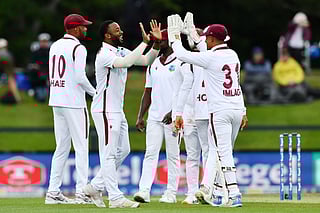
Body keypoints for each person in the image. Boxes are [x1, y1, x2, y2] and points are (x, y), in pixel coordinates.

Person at [168, 14, 248, 207]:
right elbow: (235, 80)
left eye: (206, 38)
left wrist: (174, 37)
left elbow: (182, 55)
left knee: (222, 152)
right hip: (237, 108)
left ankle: (235, 193)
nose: (206, 41)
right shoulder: (233, 55)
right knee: (223, 150)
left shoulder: (211, 57)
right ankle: (219, 194)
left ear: (212, 39)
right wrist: (244, 109)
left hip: (219, 111)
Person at [83, 19, 162, 208]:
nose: (121, 32)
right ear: (107, 36)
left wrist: (156, 43)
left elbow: (145, 61)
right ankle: (115, 198)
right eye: (117, 30)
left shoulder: (120, 50)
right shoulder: (104, 54)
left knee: (124, 150)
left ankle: (94, 187)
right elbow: (127, 62)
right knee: (109, 154)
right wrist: (144, 42)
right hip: (104, 110)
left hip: (117, 110)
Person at [45, 14, 96, 205]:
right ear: (74, 29)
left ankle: (53, 192)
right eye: (82, 26)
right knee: (81, 147)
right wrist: (96, 93)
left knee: (62, 147)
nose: (85, 29)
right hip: (73, 102)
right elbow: (80, 77)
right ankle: (82, 192)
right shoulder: (78, 47)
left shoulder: (55, 45)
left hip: (56, 100)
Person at [133, 30, 182, 204]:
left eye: (161, 41)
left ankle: (171, 193)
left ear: (169, 41)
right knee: (150, 153)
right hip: (154, 116)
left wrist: (175, 111)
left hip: (174, 117)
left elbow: (186, 90)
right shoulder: (153, 63)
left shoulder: (181, 61)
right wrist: (140, 116)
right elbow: (148, 91)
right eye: (156, 41)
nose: (158, 44)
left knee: (173, 155)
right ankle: (144, 191)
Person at [27, 33, 51, 102]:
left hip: (49, 75)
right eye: (42, 41)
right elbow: (31, 64)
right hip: (38, 78)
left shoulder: (51, 52)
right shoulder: (35, 52)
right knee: (41, 98)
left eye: (45, 41)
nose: (44, 43)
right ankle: (35, 90)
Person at [0, 38, 21, 104]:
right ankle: (17, 99)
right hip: (9, 72)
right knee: (12, 85)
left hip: (8, 72)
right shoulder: (8, 53)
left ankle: (17, 99)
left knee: (12, 84)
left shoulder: (5, 54)